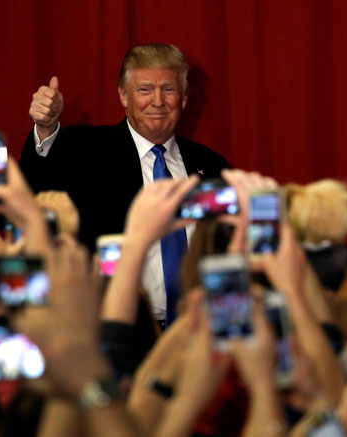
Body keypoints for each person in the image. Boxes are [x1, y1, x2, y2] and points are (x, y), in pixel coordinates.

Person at [20, 43, 229, 322]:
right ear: (123, 95)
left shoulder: (211, 166)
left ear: (184, 97)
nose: (158, 101)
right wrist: (45, 128)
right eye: (144, 90)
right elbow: (34, 194)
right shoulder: (86, 149)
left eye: (168, 89)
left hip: (198, 329)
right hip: (119, 331)